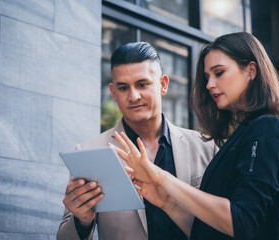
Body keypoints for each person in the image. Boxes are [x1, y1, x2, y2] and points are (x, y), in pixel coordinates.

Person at [111, 32, 279, 240]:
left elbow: (243, 222)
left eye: (219, 73)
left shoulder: (267, 128)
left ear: (251, 71)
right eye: (207, 77)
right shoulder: (242, 135)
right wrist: (167, 203)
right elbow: (211, 232)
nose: (209, 84)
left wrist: (162, 177)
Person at [56, 42, 218, 240]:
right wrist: (82, 221)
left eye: (142, 84)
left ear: (163, 84)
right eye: (123, 88)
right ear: (113, 93)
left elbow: (222, 226)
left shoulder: (207, 147)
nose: (133, 96)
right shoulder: (89, 151)